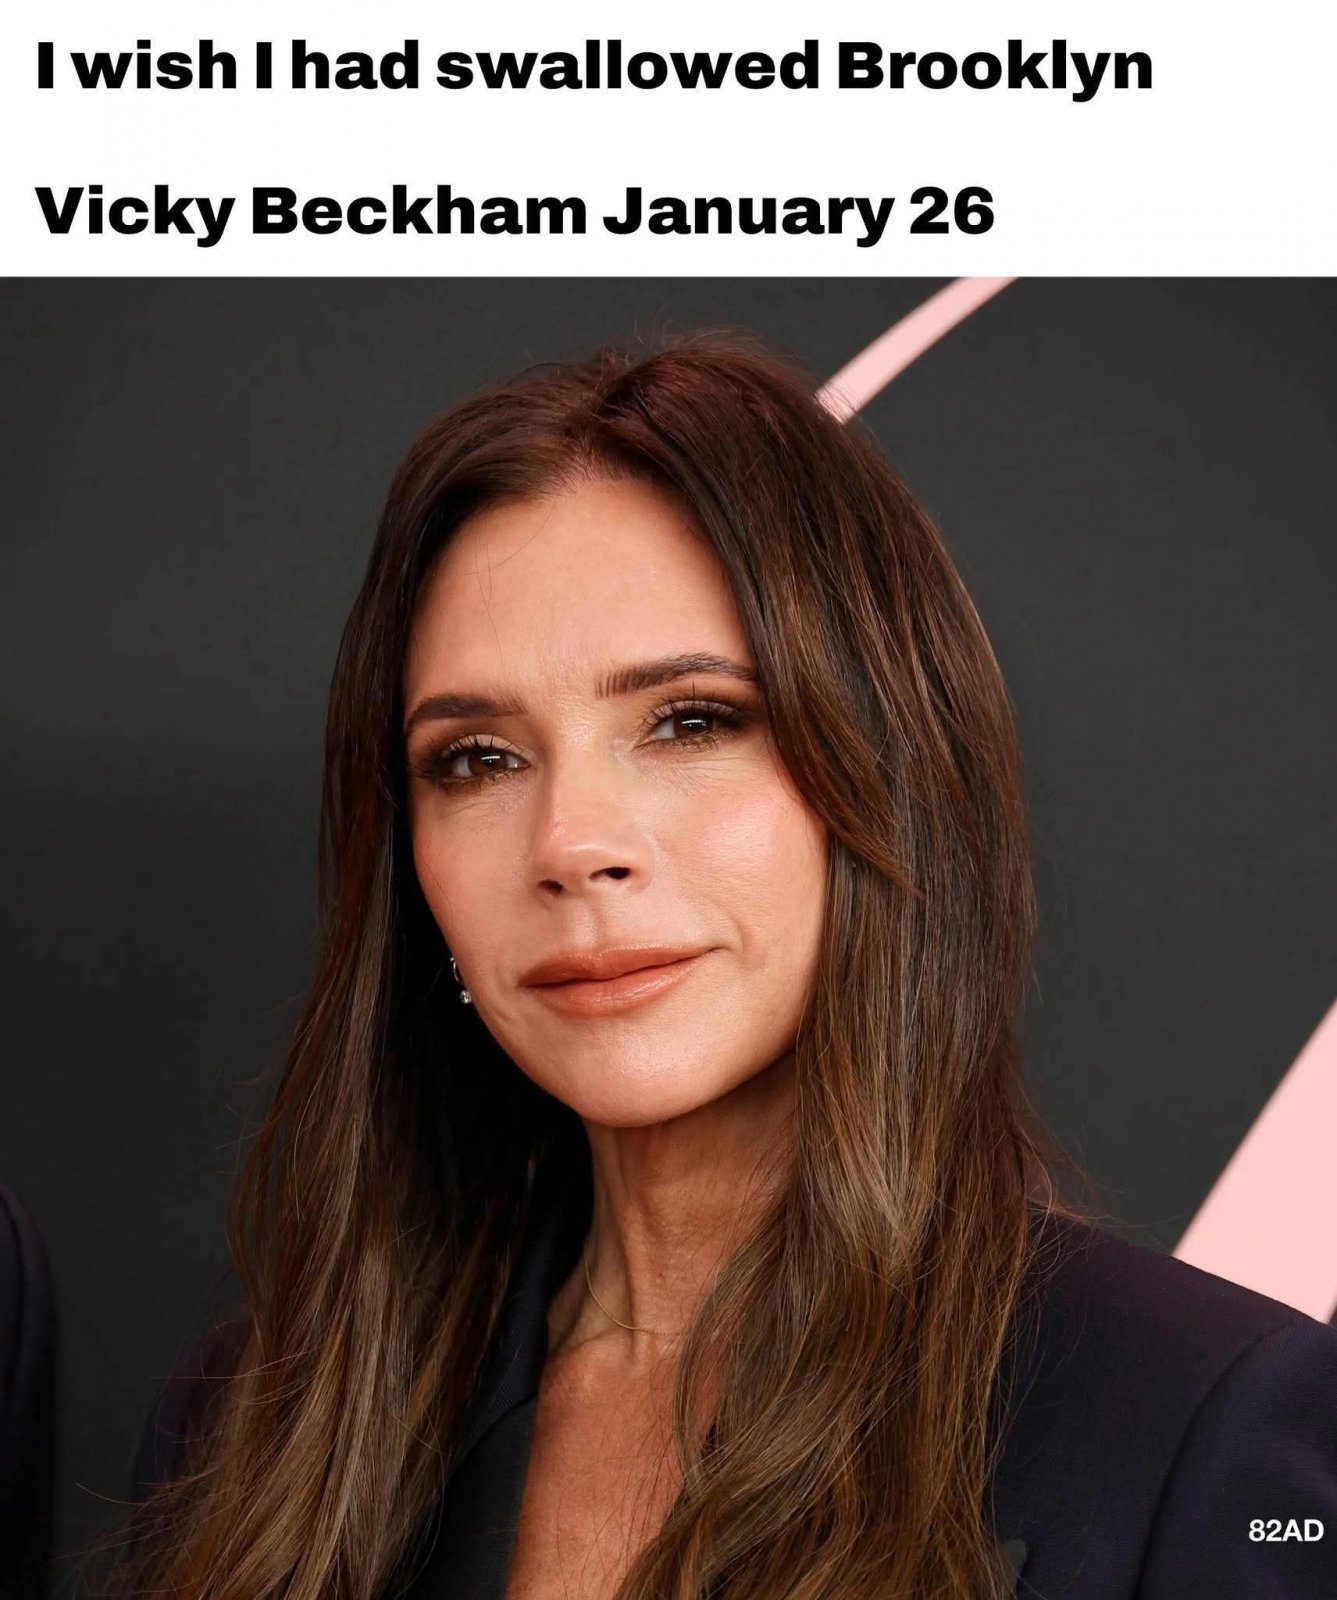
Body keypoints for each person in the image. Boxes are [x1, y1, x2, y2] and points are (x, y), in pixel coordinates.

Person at [121, 337, 1337, 1600]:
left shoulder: (1200, 1426)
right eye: (476, 758)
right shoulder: (241, 1425)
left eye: (690, 720)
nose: (570, 844)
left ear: (890, 768)